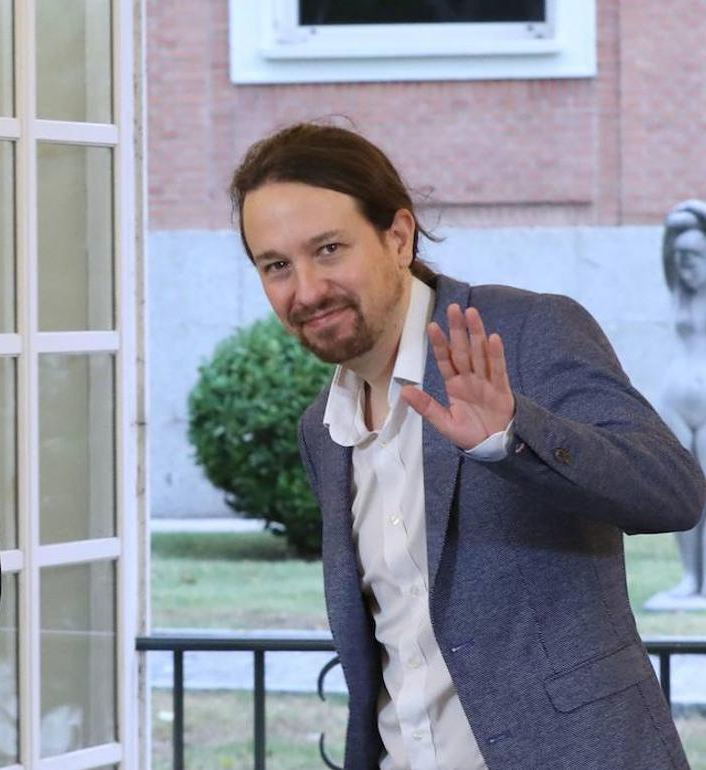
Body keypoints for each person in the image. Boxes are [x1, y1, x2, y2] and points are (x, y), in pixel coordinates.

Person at [231, 122, 705, 770]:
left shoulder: (526, 331)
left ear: (399, 237)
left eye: (330, 249)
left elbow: (674, 492)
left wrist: (512, 435)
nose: (307, 290)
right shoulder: (324, 429)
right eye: (277, 266)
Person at [652, 199, 706, 603]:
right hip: (675, 401)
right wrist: (674, 228)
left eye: (694, 256)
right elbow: (668, 256)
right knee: (683, 492)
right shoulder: (680, 294)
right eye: (680, 256)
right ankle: (689, 579)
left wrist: (694, 212)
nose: (685, 264)